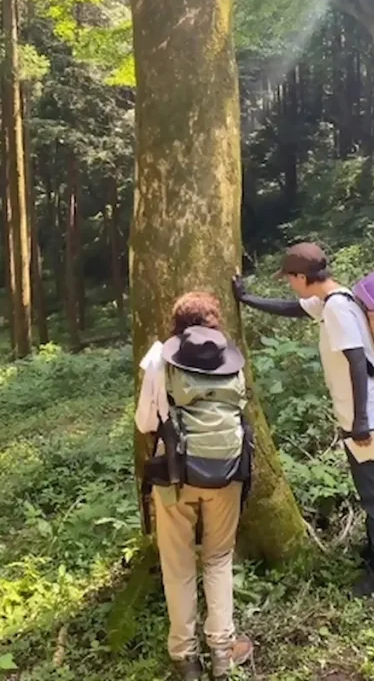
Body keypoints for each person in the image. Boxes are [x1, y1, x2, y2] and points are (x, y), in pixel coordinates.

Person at [233, 244, 374, 598]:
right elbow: (292, 308)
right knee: (373, 489)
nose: (290, 286)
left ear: (302, 276)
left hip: (369, 418)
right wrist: (247, 299)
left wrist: (359, 422)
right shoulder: (332, 298)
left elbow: (357, 363)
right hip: (370, 413)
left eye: (290, 279)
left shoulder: (339, 309)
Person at [136, 292, 254, 681]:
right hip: (226, 474)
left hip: (175, 477)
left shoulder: (159, 363)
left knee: (179, 565)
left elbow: (145, 424)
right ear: (214, 323)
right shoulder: (232, 364)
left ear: (178, 326)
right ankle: (222, 652)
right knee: (218, 560)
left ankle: (185, 658)